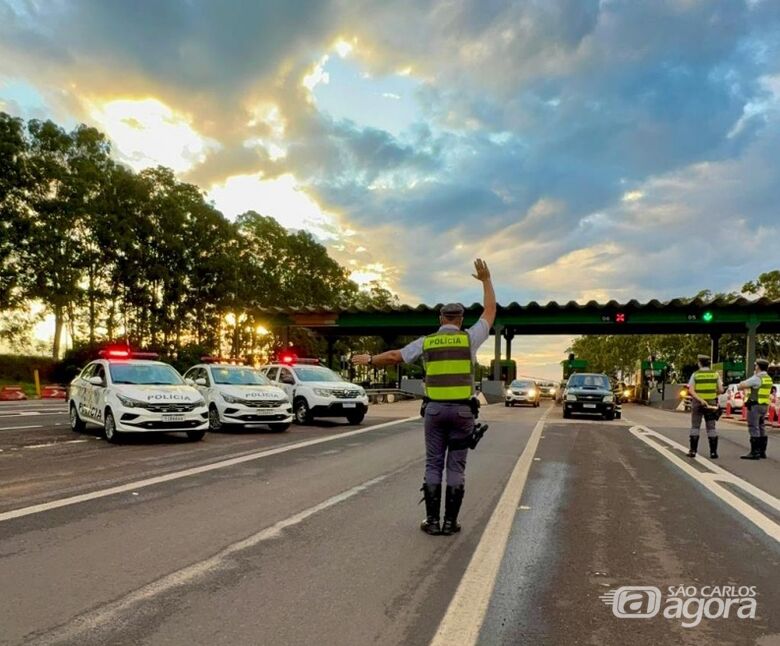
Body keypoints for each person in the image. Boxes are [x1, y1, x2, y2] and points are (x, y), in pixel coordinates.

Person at [351, 259, 496, 536]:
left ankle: (431, 522)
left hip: (435, 412)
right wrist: (486, 280)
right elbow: (490, 311)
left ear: (441, 319)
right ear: (461, 319)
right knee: (456, 465)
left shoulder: (426, 341)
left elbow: (395, 356)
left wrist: (369, 359)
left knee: (433, 464)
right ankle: (451, 523)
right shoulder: (470, 338)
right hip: (464, 413)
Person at [686, 355, 724, 458]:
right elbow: (721, 390)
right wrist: (712, 395)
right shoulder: (715, 374)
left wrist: (700, 399)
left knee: (695, 426)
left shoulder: (696, 375)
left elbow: (691, 390)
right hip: (711, 404)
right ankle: (713, 452)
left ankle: (693, 451)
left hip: (698, 403)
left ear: (699, 363)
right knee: (711, 427)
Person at [736, 358, 772, 460]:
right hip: (764, 405)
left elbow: (741, 385)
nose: (755, 367)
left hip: (755, 405)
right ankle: (762, 452)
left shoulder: (757, 378)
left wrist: (742, 384)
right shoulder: (768, 378)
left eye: (755, 366)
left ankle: (754, 452)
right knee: (761, 427)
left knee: (753, 427)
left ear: (758, 367)